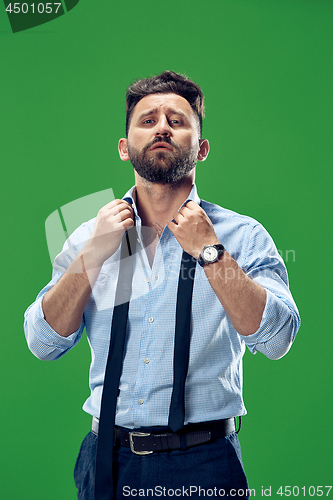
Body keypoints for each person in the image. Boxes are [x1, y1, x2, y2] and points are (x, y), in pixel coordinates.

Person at [24, 70, 300, 500]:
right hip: (106, 461)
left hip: (205, 463)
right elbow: (43, 343)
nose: (162, 128)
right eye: (148, 119)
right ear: (124, 147)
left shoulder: (241, 236)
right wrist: (93, 255)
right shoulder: (88, 237)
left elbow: (278, 338)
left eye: (177, 120)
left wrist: (211, 252)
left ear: (202, 148)